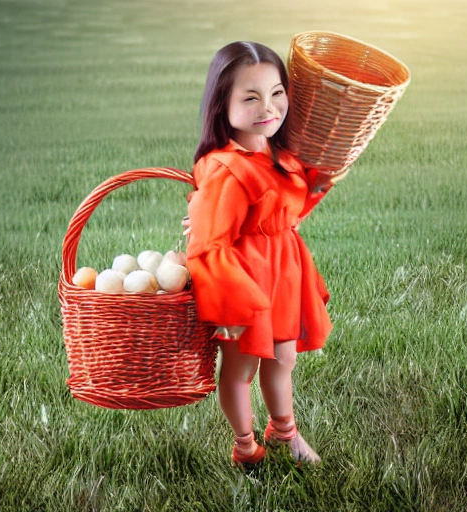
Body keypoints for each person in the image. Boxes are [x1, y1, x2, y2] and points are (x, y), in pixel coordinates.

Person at [184, 41, 345, 469]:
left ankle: (283, 432)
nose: (268, 107)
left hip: (284, 272)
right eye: (250, 97)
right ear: (223, 105)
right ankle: (244, 444)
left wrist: (316, 185)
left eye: (277, 93)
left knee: (285, 356)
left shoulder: (278, 154)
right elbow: (210, 242)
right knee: (242, 367)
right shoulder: (225, 168)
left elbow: (286, 211)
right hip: (246, 278)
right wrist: (235, 302)